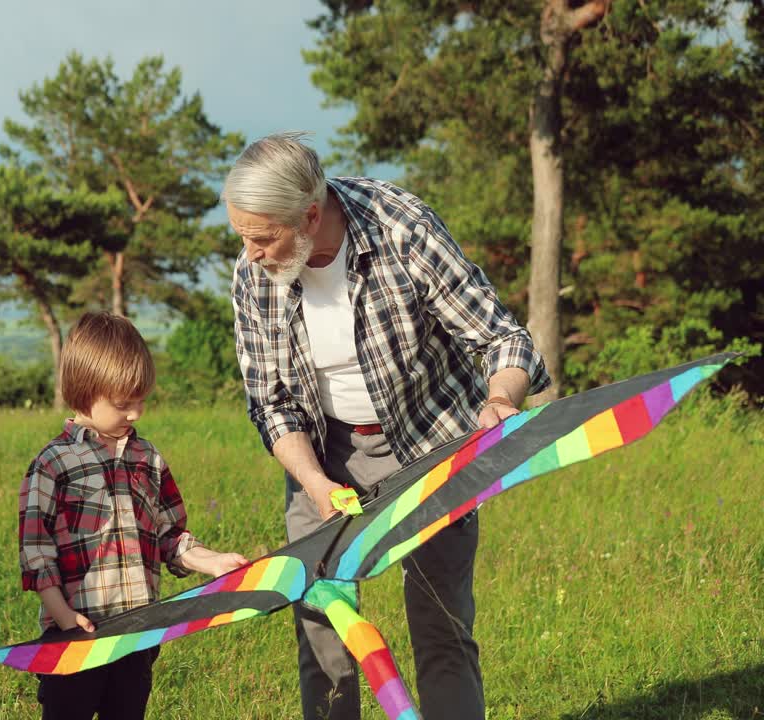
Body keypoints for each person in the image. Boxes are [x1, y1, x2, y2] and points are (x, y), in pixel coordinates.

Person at [225, 133, 551, 720]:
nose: (250, 254)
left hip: (430, 440)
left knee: (440, 621)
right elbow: (273, 405)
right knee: (322, 622)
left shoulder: (401, 228)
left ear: (310, 216)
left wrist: (501, 398)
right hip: (322, 453)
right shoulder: (253, 274)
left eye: (263, 238)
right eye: (242, 236)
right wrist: (315, 483)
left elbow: (501, 338)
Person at [18, 311, 249, 720]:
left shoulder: (148, 458)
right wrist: (63, 616)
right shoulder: (53, 464)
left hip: (137, 636)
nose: (136, 414)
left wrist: (212, 562)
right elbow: (37, 554)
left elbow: (168, 535)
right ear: (83, 392)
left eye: (141, 400)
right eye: (123, 404)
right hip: (73, 639)